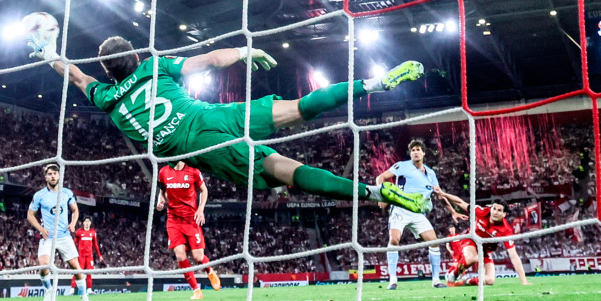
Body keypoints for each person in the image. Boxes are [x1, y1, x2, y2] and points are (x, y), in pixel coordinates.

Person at [26, 25, 428, 212]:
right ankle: (374, 82)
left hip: (205, 149)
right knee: (300, 107)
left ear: (110, 72)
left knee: (288, 171)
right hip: (218, 114)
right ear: (134, 57)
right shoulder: (154, 67)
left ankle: (375, 194)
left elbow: (77, 75)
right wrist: (246, 52)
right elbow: (210, 61)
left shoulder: (106, 98)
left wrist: (48, 53)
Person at [375, 140, 467, 289]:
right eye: (412, 150)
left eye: (418, 150)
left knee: (434, 241)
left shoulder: (431, 174)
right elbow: (381, 177)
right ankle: (392, 280)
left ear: (423, 153)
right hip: (399, 208)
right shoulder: (402, 166)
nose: (415, 152)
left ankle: (436, 280)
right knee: (394, 240)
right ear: (410, 153)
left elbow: (439, 195)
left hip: (418, 213)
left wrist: (453, 212)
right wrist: (381, 195)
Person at [435, 191, 531, 286]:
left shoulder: (505, 230)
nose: (495, 212)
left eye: (499, 210)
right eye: (494, 209)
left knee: (490, 280)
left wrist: (524, 281)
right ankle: (453, 275)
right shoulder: (481, 212)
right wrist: (444, 194)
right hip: (470, 239)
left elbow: (513, 256)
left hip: (485, 249)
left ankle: (467, 282)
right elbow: (461, 203)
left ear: (504, 214)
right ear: (491, 208)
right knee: (472, 258)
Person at [27, 164, 90, 301]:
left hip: (64, 236)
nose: (53, 176)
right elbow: (30, 215)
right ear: (46, 177)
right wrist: (40, 229)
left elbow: (75, 210)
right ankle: (49, 291)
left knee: (75, 266)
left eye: (55, 173)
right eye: (50, 174)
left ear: (59, 176)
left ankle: (84, 295)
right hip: (48, 237)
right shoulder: (39, 195)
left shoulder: (67, 193)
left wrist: (73, 224)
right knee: (43, 265)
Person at [157, 161, 220, 299]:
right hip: (173, 220)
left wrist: (201, 209)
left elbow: (204, 190)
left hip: (191, 220)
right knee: (180, 255)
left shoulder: (193, 171)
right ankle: (196, 290)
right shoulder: (163, 172)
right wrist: (160, 200)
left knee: (198, 257)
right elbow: (162, 192)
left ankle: (209, 271)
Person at [71, 217, 103, 295]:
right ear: (83, 223)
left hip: (89, 256)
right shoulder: (79, 232)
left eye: (88, 221)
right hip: (81, 256)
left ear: (90, 223)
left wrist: (99, 255)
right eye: (85, 221)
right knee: (78, 272)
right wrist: (72, 253)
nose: (87, 223)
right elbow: (74, 243)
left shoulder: (93, 232)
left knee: (89, 272)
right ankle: (72, 289)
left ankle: (89, 289)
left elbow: (95, 245)